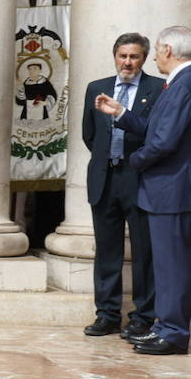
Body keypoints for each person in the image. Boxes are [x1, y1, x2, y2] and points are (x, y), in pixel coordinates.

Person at [95, 25, 191, 356]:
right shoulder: (177, 83)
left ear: (165, 51)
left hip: (172, 189)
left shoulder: (183, 83)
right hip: (167, 189)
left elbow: (162, 141)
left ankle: (173, 331)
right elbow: (154, 128)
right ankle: (166, 326)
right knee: (167, 264)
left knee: (171, 265)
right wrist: (121, 114)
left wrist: (134, 160)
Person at [80, 33, 161, 340]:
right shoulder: (96, 88)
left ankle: (143, 316)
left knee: (144, 251)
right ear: (114, 56)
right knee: (107, 250)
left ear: (144, 58)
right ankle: (107, 315)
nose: (128, 62)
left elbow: (156, 134)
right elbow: (89, 135)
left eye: (135, 56)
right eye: (123, 56)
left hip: (138, 179)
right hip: (105, 177)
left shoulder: (156, 89)